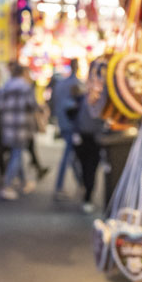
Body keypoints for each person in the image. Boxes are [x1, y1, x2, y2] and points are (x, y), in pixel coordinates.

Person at [0, 62, 40, 200]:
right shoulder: (26, 87)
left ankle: (24, 182)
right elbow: (32, 105)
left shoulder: (5, 86)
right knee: (17, 154)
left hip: (7, 125)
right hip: (21, 126)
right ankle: (7, 185)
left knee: (17, 153)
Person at [52, 59, 85, 197]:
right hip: (73, 124)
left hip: (63, 123)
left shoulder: (60, 84)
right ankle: (60, 187)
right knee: (69, 156)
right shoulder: (77, 84)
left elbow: (55, 103)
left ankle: (80, 184)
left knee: (71, 156)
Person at [73, 85, 106, 213]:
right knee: (85, 168)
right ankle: (86, 193)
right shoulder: (83, 100)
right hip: (84, 139)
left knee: (91, 170)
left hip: (93, 140)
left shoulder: (98, 102)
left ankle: (88, 196)